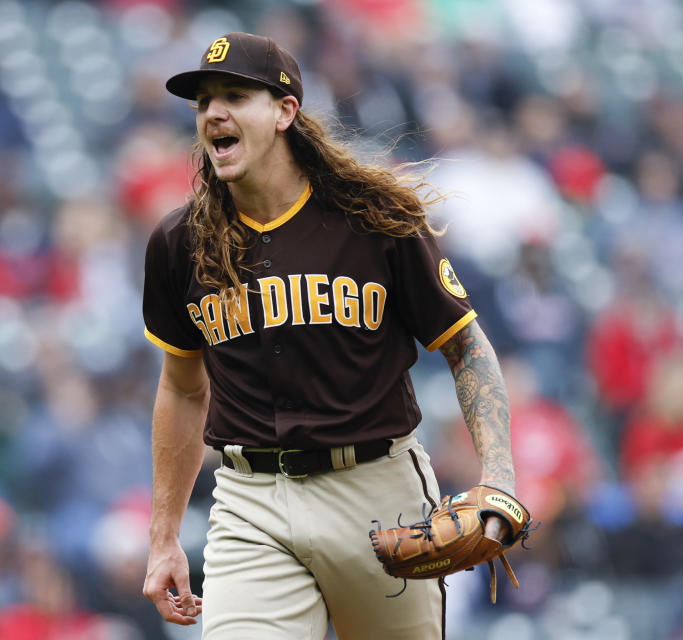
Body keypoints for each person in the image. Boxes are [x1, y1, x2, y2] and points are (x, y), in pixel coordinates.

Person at [141, 32, 517, 639]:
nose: (213, 112)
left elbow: (466, 347)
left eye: (235, 95)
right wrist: (163, 540)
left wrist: (498, 478)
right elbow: (183, 390)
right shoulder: (180, 242)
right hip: (250, 502)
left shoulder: (376, 219)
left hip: (375, 490)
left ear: (286, 111)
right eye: (203, 101)